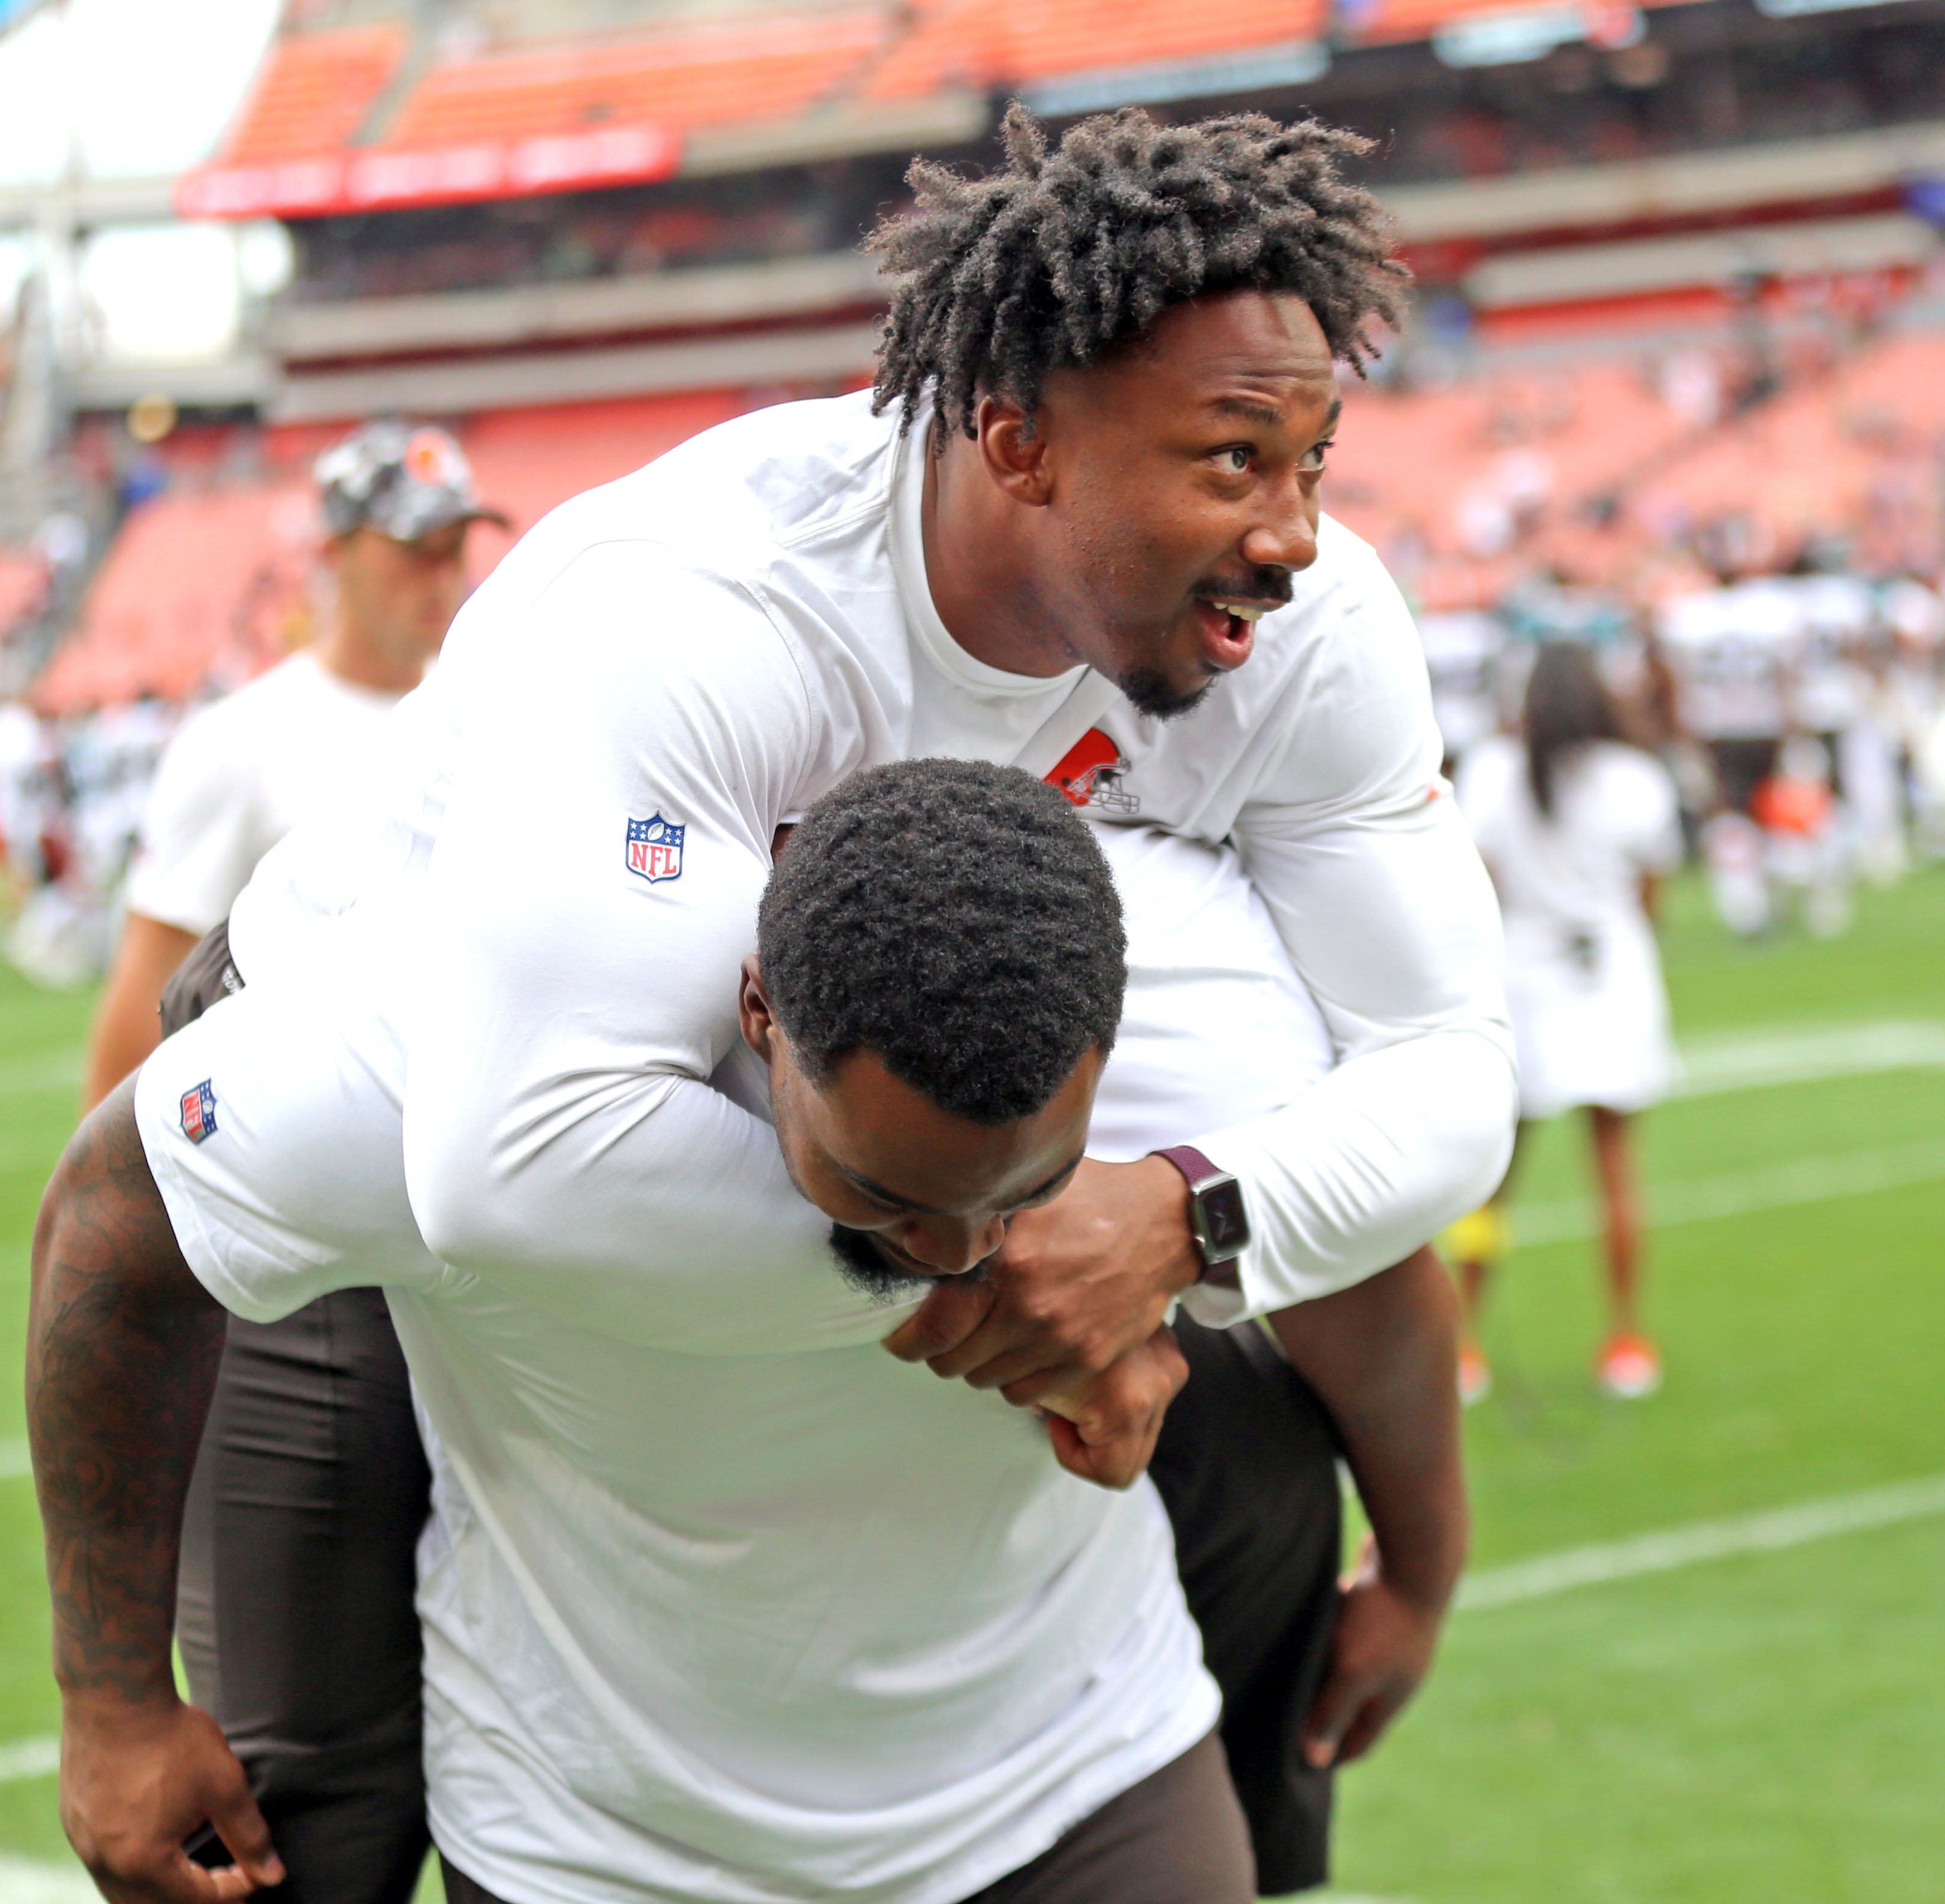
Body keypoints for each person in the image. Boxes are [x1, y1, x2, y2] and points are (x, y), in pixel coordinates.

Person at [113, 105, 1512, 1904]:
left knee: (1242, 1468)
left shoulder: (1294, 635)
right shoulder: (700, 608)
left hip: (886, 1013)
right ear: (1013, 440)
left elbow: (1448, 1068)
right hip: (402, 1059)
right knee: (301, 1811)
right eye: (1233, 460)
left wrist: (1172, 1223)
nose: (1297, 535)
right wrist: (1021, 1295)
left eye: (1314, 456)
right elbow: (523, 1151)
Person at [31, 760, 1461, 1904]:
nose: (970, 1257)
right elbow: (110, 1225)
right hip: (606, 1835)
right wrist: (107, 1700)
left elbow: (1366, 1250)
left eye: (1026, 1190)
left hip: (1078, 1780)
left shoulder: (1149, 997)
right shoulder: (454, 1065)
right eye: (891, 1193)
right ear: (759, 1013)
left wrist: (1422, 1562)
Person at [79, 419, 499, 1108]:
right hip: (303, 1159)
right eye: (414, 549)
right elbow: (140, 1014)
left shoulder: (484, 714)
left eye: (454, 548)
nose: (442, 574)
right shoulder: (236, 744)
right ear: (335, 553)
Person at [1450, 640, 1680, 1402]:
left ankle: (1462, 1344)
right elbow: (1653, 891)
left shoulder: (1490, 772)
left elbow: (1475, 885)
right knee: (1615, 1169)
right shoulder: (1637, 779)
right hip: (1611, 970)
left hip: (1523, 975)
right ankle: (1625, 1338)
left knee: (1492, 1177)